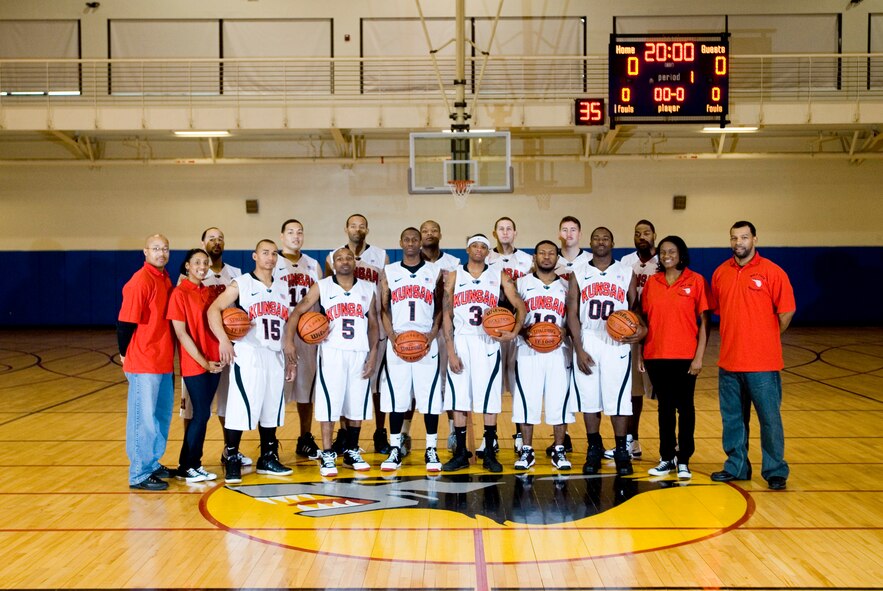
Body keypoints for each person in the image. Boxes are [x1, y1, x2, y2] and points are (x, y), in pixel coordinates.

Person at [711, 221, 795, 490]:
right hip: (729, 362)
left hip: (762, 363)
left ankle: (775, 470)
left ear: (755, 239)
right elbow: (720, 311)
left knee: (769, 419)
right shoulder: (720, 273)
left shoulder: (773, 272)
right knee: (733, 419)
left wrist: (765, 338)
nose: (739, 242)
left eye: (744, 237)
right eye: (734, 238)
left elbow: (786, 312)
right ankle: (736, 466)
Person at [286, 247, 379, 477]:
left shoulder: (368, 288)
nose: (344, 261)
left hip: (359, 352)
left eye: (348, 258)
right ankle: (328, 453)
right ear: (333, 264)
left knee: (356, 404)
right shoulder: (322, 286)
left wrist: (374, 353)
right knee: (329, 404)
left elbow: (373, 324)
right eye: (339, 258)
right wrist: (289, 341)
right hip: (332, 353)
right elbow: (297, 312)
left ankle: (351, 451)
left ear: (354, 262)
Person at [207, 239, 292, 484]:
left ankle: (268, 457)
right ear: (255, 256)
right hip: (249, 353)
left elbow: (287, 323)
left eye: (274, 253)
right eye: (265, 253)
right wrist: (224, 340)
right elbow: (213, 309)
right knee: (240, 407)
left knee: (271, 408)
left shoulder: (283, 287)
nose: (270, 257)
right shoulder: (242, 283)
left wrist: (289, 352)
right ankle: (232, 456)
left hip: (274, 354)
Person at [441, 234, 526, 473]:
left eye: (483, 247)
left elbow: (520, 305)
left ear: (488, 252)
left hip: (488, 342)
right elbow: (446, 314)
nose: (479, 250)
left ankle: (489, 452)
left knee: (489, 399)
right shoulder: (454, 276)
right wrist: (450, 351)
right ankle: (460, 453)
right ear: (467, 249)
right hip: (462, 341)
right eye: (474, 246)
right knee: (459, 399)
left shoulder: (499, 275)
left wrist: (514, 331)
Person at [566, 227, 646, 476]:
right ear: (590, 242)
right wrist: (578, 348)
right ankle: (593, 448)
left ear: (612, 243)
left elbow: (635, 307)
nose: (601, 242)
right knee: (590, 398)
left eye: (605, 238)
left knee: (618, 398)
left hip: (617, 341)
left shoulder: (626, 272)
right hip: (589, 337)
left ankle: (621, 449)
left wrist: (640, 328)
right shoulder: (578, 272)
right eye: (596, 238)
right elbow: (571, 313)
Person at [177, 227, 250, 469]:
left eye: (220, 238)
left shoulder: (232, 276)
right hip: (197, 354)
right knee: (195, 412)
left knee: (227, 404)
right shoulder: (185, 284)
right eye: (211, 238)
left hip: (225, 350)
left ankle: (230, 451)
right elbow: (182, 328)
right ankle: (189, 461)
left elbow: (239, 309)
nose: (216, 242)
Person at [640, 236, 711, 480]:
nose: (667, 255)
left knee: (685, 408)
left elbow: (705, 323)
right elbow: (644, 321)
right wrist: (641, 353)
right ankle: (666, 457)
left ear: (681, 254)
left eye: (672, 251)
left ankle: (684, 460)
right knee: (665, 408)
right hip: (656, 355)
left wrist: (699, 357)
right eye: (663, 251)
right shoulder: (653, 282)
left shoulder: (696, 280)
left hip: (685, 356)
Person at [378, 227, 444, 472]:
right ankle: (395, 448)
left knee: (429, 398)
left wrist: (432, 335)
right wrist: (393, 337)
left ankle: (431, 449)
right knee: (397, 398)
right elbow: (383, 309)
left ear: (420, 243)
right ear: (400, 242)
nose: (411, 243)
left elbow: (440, 308)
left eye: (415, 239)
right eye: (406, 239)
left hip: (426, 341)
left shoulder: (435, 271)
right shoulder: (389, 271)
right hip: (398, 342)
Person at [325, 214, 390, 455]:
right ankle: (345, 434)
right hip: (343, 327)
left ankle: (380, 433)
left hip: (373, 325)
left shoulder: (381, 256)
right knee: (344, 383)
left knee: (377, 385)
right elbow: (327, 290)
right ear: (346, 229)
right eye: (353, 225)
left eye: (362, 226)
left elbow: (385, 292)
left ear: (367, 230)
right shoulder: (332, 256)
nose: (357, 229)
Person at [118, 234, 175, 491]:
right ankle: (139, 473)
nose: (161, 253)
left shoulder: (164, 278)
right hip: (144, 362)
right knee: (144, 419)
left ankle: (151, 463)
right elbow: (124, 323)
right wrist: (124, 353)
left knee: (161, 417)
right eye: (156, 248)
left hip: (163, 361)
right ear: (145, 251)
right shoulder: (140, 281)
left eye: (165, 249)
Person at [513, 240, 574, 470]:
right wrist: (523, 331)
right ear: (534, 257)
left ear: (557, 258)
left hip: (558, 352)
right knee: (526, 401)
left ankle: (559, 450)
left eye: (551, 253)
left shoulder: (567, 286)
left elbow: (574, 318)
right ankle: (527, 451)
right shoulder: (520, 283)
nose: (546, 257)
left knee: (559, 402)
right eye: (542, 253)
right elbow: (509, 316)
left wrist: (565, 331)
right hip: (527, 351)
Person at [167, 248, 223, 483]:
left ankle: (186, 465)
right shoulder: (179, 293)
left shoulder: (209, 292)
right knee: (200, 413)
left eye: (205, 262)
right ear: (187, 266)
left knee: (203, 413)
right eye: (197, 262)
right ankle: (192, 465)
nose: (202, 266)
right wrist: (204, 362)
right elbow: (181, 334)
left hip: (215, 362)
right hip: (196, 363)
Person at [605, 219, 657, 460]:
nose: (642, 237)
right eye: (638, 233)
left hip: (659, 331)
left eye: (646, 233)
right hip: (633, 330)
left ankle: (671, 448)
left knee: (664, 393)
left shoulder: (663, 262)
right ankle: (631, 441)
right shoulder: (625, 263)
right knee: (633, 390)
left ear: (654, 235)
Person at [274, 219, 323, 461]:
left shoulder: (313, 265)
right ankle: (270, 442)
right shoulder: (273, 262)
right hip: (279, 335)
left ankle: (305, 438)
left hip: (307, 336)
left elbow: (322, 300)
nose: (296, 236)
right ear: (282, 236)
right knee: (276, 392)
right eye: (291, 232)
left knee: (306, 390)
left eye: (300, 232)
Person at [487, 216, 534, 455]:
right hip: (492, 329)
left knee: (518, 382)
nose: (505, 232)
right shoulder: (486, 258)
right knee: (492, 381)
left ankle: (519, 433)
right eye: (501, 229)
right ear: (494, 233)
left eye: (509, 229)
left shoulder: (527, 260)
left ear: (515, 233)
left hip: (518, 328)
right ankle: (491, 436)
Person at [419, 219, 461, 452]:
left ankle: (454, 432)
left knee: (450, 381)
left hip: (446, 327)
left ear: (440, 234)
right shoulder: (411, 263)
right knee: (416, 384)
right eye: (425, 230)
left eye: (434, 230)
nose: (429, 234)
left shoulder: (453, 263)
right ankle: (404, 433)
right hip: (420, 330)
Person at [555, 216, 592, 281]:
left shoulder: (591, 259)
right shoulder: (551, 260)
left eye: (573, 230)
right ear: (559, 235)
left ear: (580, 234)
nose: (569, 234)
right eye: (565, 230)